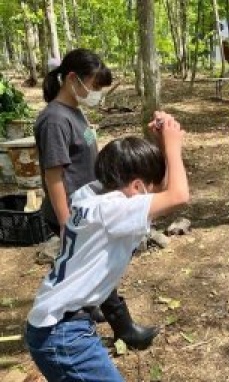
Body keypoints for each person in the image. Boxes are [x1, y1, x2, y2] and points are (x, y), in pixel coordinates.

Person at [26, 112, 189, 381]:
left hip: (55, 327)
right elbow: (178, 195)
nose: (154, 193)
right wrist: (173, 146)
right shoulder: (114, 210)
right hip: (64, 335)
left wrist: (160, 144)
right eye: (147, 186)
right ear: (137, 186)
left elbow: (159, 189)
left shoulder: (90, 194)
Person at [34, 48, 157, 349]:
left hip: (87, 206)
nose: (97, 93)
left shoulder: (73, 110)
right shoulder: (54, 120)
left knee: (95, 266)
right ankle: (125, 329)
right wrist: (65, 223)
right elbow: (54, 176)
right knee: (99, 267)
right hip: (72, 212)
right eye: (95, 85)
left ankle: (93, 307)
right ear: (73, 79)